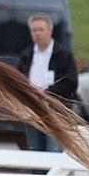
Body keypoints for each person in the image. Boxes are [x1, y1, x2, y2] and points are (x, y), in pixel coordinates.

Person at [17, 13, 78, 153]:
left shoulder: (63, 55)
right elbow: (19, 80)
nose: (37, 33)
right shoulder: (27, 55)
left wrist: (45, 93)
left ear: (50, 31)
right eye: (34, 30)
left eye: (41, 29)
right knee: (34, 151)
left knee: (53, 151)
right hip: (32, 111)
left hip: (55, 112)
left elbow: (70, 83)